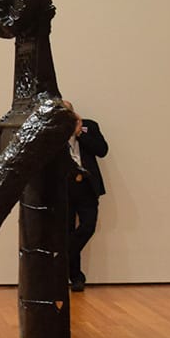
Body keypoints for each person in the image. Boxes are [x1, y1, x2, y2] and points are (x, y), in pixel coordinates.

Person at [65, 104, 108, 292]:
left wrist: (80, 133)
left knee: (87, 226)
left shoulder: (89, 126)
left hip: (87, 187)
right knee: (66, 231)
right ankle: (76, 277)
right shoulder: (51, 132)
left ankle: (63, 258)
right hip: (64, 188)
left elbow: (102, 150)